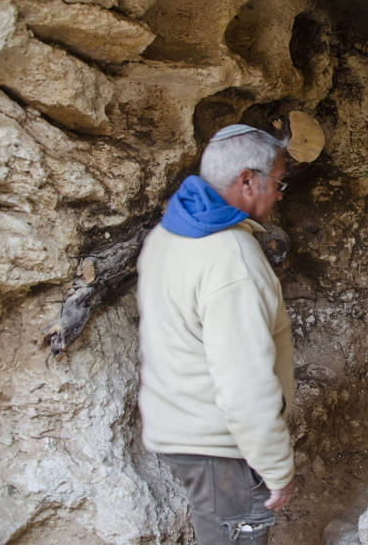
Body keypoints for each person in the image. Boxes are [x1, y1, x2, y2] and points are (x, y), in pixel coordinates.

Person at [137, 124, 296, 544]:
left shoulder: (168, 233)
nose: (281, 193)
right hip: (221, 448)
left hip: (185, 431)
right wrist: (277, 468)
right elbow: (244, 383)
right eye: (279, 182)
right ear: (247, 179)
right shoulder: (230, 256)